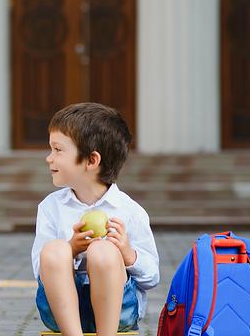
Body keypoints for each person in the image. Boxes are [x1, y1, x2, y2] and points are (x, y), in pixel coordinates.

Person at [31, 102, 160, 336]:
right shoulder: (50, 207)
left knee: (103, 250)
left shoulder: (129, 211)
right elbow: (40, 269)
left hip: (119, 312)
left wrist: (127, 253)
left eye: (58, 150)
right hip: (62, 312)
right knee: (53, 250)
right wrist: (70, 248)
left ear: (91, 160)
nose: (49, 158)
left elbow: (152, 277)